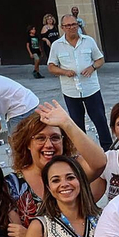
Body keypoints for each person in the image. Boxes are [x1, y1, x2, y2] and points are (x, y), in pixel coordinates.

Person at [7, 104, 109, 223]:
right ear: (28, 144)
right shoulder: (12, 184)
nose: (49, 145)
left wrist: (67, 123)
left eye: (55, 138)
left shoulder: (74, 169)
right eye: (40, 138)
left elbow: (100, 163)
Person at [46, 14, 111, 149]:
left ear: (78, 25)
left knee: (100, 120)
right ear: (62, 27)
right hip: (71, 91)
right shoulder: (57, 45)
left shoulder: (88, 41)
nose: (71, 28)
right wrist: (64, 72)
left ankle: (108, 149)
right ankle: (82, 151)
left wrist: (92, 67)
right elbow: (51, 67)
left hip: (91, 88)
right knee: (77, 124)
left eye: (74, 24)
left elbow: (100, 59)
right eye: (68, 25)